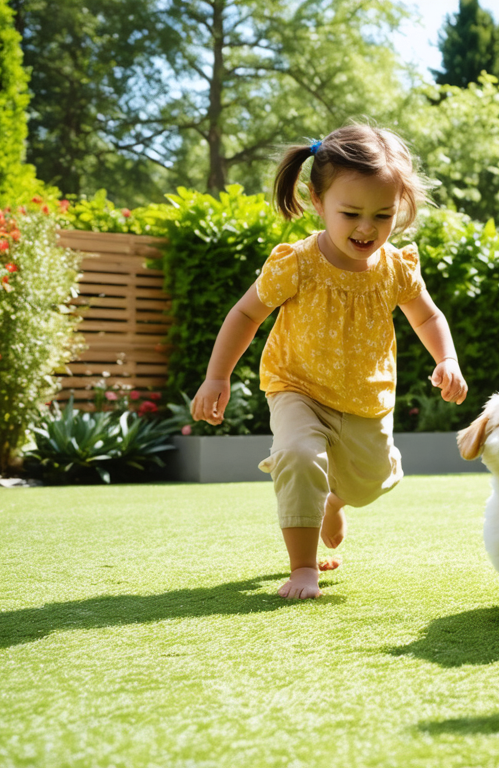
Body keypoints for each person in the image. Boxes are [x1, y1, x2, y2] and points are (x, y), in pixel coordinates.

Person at [191, 124, 467, 599]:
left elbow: (428, 316)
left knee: (369, 486)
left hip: (366, 396)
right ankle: (302, 567)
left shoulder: (396, 268)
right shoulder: (296, 263)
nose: (366, 228)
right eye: (351, 213)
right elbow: (246, 313)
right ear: (317, 201)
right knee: (299, 455)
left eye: (382, 215)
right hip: (297, 386)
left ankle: (334, 498)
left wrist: (448, 358)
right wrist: (218, 375)